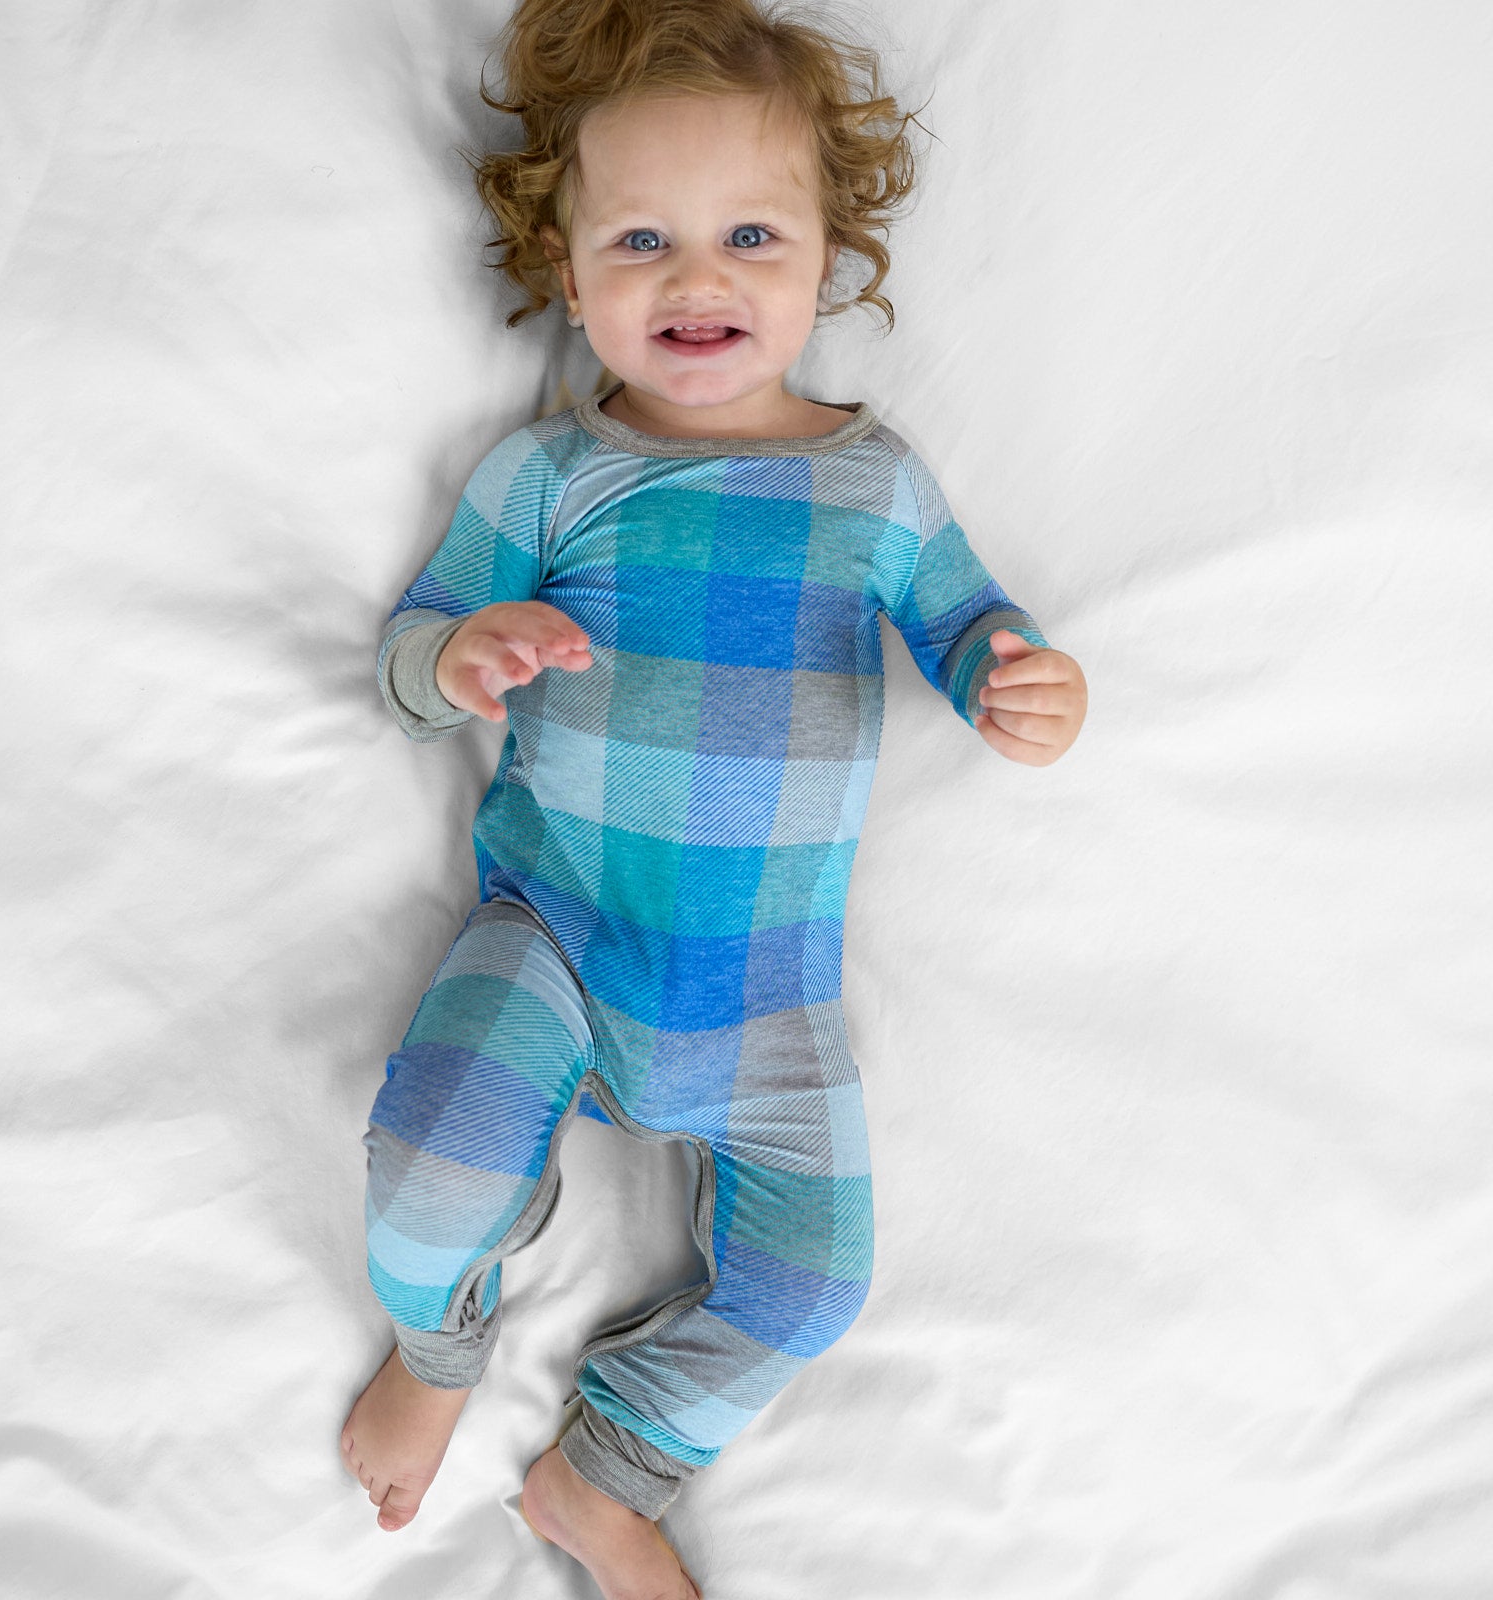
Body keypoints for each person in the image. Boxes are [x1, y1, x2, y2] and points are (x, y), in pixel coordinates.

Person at [340, 1, 1088, 1594]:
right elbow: (406, 657)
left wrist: (1018, 678)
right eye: (642, 241)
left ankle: (604, 1475)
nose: (699, 280)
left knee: (814, 1283)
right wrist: (463, 652)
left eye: (753, 234)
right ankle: (438, 1343)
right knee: (426, 1165)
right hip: (554, 934)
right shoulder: (551, 475)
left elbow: (968, 623)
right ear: (567, 273)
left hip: (770, 1000)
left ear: (831, 258)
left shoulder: (873, 484)